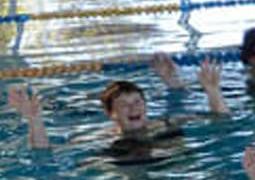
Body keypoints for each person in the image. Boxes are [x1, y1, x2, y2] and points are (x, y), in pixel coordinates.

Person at [8, 59, 229, 156]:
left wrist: (213, 91)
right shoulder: (99, 138)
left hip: (173, 173)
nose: (133, 108)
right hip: (130, 178)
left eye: (137, 102)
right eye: (123, 105)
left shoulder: (169, 123)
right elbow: (45, 153)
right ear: (111, 114)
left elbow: (221, 122)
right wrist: (35, 122)